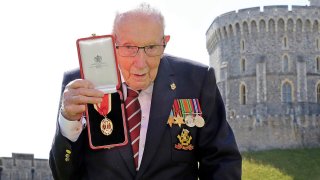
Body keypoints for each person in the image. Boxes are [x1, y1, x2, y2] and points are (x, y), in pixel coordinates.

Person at [49, 3, 242, 180]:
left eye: (151, 47)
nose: (140, 63)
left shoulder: (196, 81)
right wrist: (67, 122)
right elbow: (62, 174)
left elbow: (222, 162)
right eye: (129, 47)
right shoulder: (81, 85)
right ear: (112, 44)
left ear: (164, 42)